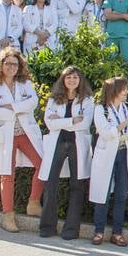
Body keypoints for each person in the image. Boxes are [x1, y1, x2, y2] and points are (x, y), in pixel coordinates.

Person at [0, 48, 44, 233]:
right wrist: (20, 108)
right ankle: (8, 215)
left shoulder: (25, 83)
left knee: (42, 164)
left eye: (15, 64)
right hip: (5, 135)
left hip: (25, 133)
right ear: (0, 65)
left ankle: (33, 203)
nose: (11, 67)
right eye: (8, 63)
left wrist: (11, 106)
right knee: (7, 174)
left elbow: (33, 102)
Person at [38, 66, 93, 239]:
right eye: (68, 77)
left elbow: (84, 124)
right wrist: (71, 120)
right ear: (63, 80)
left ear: (80, 80)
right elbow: (49, 123)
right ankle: (47, 227)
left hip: (77, 144)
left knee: (76, 186)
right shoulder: (54, 99)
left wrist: (60, 121)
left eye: (75, 77)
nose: (71, 80)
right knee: (50, 184)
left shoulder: (87, 100)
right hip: (58, 143)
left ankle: (71, 229)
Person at [89, 76, 128, 246]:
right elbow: (105, 133)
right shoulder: (101, 109)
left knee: (121, 194)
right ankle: (98, 231)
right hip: (107, 154)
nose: (126, 92)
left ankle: (117, 232)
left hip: (124, 153)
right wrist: (126, 121)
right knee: (102, 193)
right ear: (114, 91)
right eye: (123, 89)